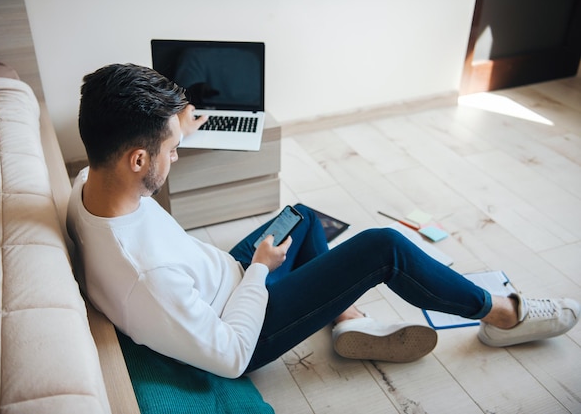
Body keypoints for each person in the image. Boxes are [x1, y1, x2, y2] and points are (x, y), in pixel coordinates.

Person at [67, 63, 580, 379]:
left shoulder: (89, 184)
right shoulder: (147, 277)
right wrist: (261, 271)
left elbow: (144, 160)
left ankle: (347, 321)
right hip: (244, 326)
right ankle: (501, 315)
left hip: (220, 278)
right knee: (384, 246)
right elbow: (231, 357)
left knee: (305, 218)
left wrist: (173, 126)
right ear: (138, 160)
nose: (176, 155)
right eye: (172, 149)